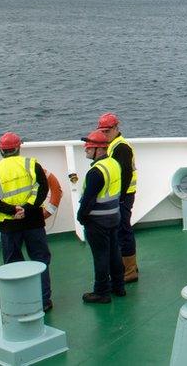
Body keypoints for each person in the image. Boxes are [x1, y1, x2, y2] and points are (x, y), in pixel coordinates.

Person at [0, 131, 53, 312]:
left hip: (9, 225)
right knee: (40, 259)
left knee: (13, 263)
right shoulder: (31, 164)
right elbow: (43, 189)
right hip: (33, 222)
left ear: (1, 150)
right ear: (18, 148)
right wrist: (27, 209)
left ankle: (20, 301)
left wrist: (12, 210)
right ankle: (44, 301)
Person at [77, 130, 125, 303]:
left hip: (97, 221)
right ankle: (119, 287)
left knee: (101, 256)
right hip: (113, 217)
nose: (85, 150)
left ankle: (102, 292)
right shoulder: (114, 164)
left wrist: (81, 217)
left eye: (88, 148)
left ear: (98, 149)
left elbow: (88, 201)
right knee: (114, 253)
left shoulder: (96, 172)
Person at [98, 112, 140, 282]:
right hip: (121, 196)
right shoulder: (114, 145)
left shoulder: (120, 147)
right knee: (121, 230)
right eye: (102, 131)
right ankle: (128, 267)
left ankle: (129, 271)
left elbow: (125, 174)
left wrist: (120, 197)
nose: (104, 134)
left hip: (123, 196)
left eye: (107, 131)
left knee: (123, 230)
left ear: (116, 128)